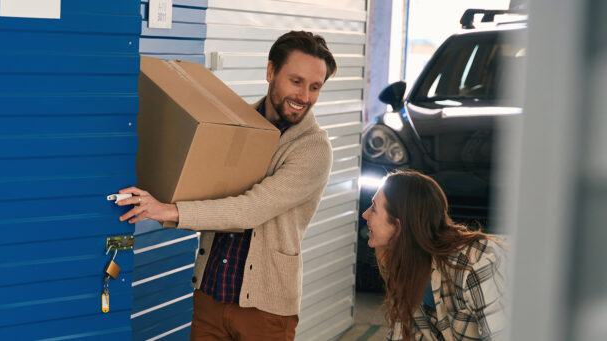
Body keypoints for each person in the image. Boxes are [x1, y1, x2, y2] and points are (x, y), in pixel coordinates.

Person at [115, 31, 337, 341]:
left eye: (315, 87)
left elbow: (251, 208)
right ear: (271, 72)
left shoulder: (313, 149)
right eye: (296, 81)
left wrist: (168, 210)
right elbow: (206, 188)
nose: (304, 97)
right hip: (210, 295)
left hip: (265, 312)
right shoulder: (235, 124)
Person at [361, 170, 507, 340]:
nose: (365, 214)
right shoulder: (405, 266)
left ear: (399, 225)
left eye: (374, 208)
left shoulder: (475, 265)